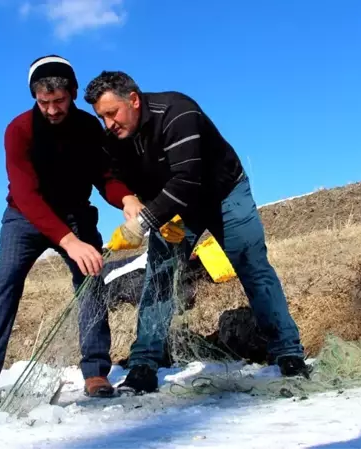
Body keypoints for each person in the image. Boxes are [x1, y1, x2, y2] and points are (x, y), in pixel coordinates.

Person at [82, 70, 310, 395]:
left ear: (133, 99)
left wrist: (143, 222)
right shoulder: (115, 139)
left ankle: (288, 352)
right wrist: (146, 209)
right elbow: (125, 180)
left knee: (252, 266)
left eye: (111, 113)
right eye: (101, 117)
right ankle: (144, 363)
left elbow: (186, 179)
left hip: (224, 195)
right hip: (171, 206)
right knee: (159, 277)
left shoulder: (178, 113)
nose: (108, 124)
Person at [0, 56, 138, 404]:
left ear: (73, 93)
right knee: (8, 277)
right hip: (25, 216)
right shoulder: (18, 130)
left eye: (59, 101)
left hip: (76, 213)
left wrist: (127, 200)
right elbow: (26, 194)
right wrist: (69, 241)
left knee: (91, 279)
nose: (52, 110)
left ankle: (95, 372)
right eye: (44, 103)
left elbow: (105, 179)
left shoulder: (90, 129)